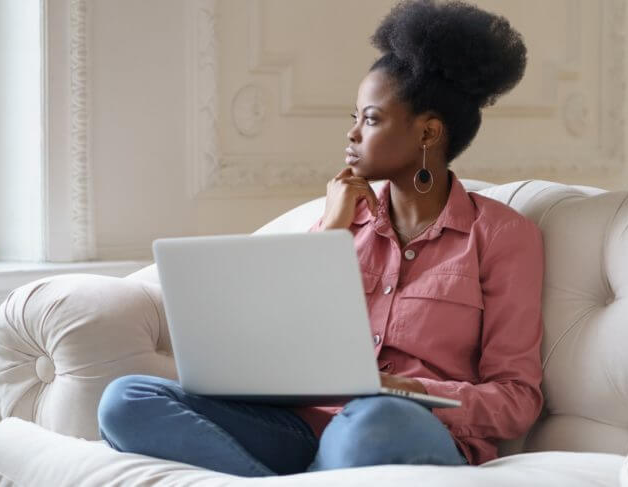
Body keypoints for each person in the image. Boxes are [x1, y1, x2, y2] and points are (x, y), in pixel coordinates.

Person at [96, 0, 544, 477]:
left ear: (428, 133)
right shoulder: (339, 223)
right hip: (297, 429)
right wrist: (331, 230)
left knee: (375, 417)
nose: (351, 134)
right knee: (125, 399)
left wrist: (397, 388)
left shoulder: (500, 234)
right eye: (354, 117)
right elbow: (273, 338)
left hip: (407, 427)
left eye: (370, 120)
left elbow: (516, 401)